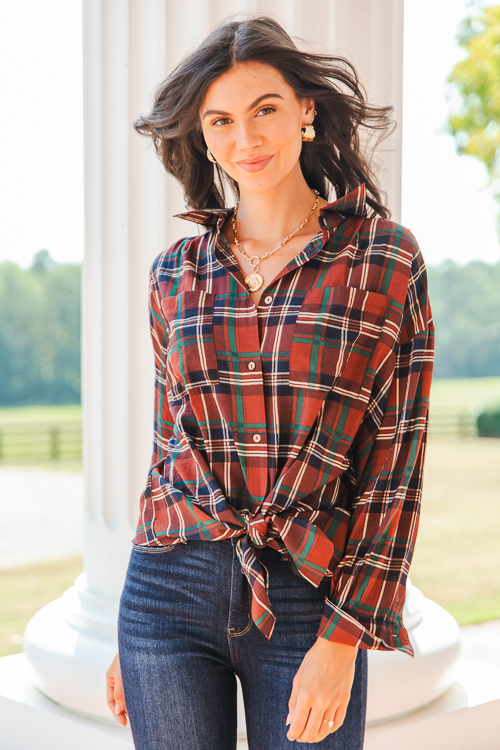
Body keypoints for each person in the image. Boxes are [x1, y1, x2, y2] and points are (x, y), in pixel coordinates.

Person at [106, 14, 434, 750]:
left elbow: (394, 470)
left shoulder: (381, 260)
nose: (245, 141)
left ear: (306, 112)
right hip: (166, 589)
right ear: (203, 136)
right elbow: (170, 456)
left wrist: (345, 636)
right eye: (221, 121)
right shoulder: (174, 274)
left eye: (265, 111)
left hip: (305, 593)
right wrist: (123, 632)